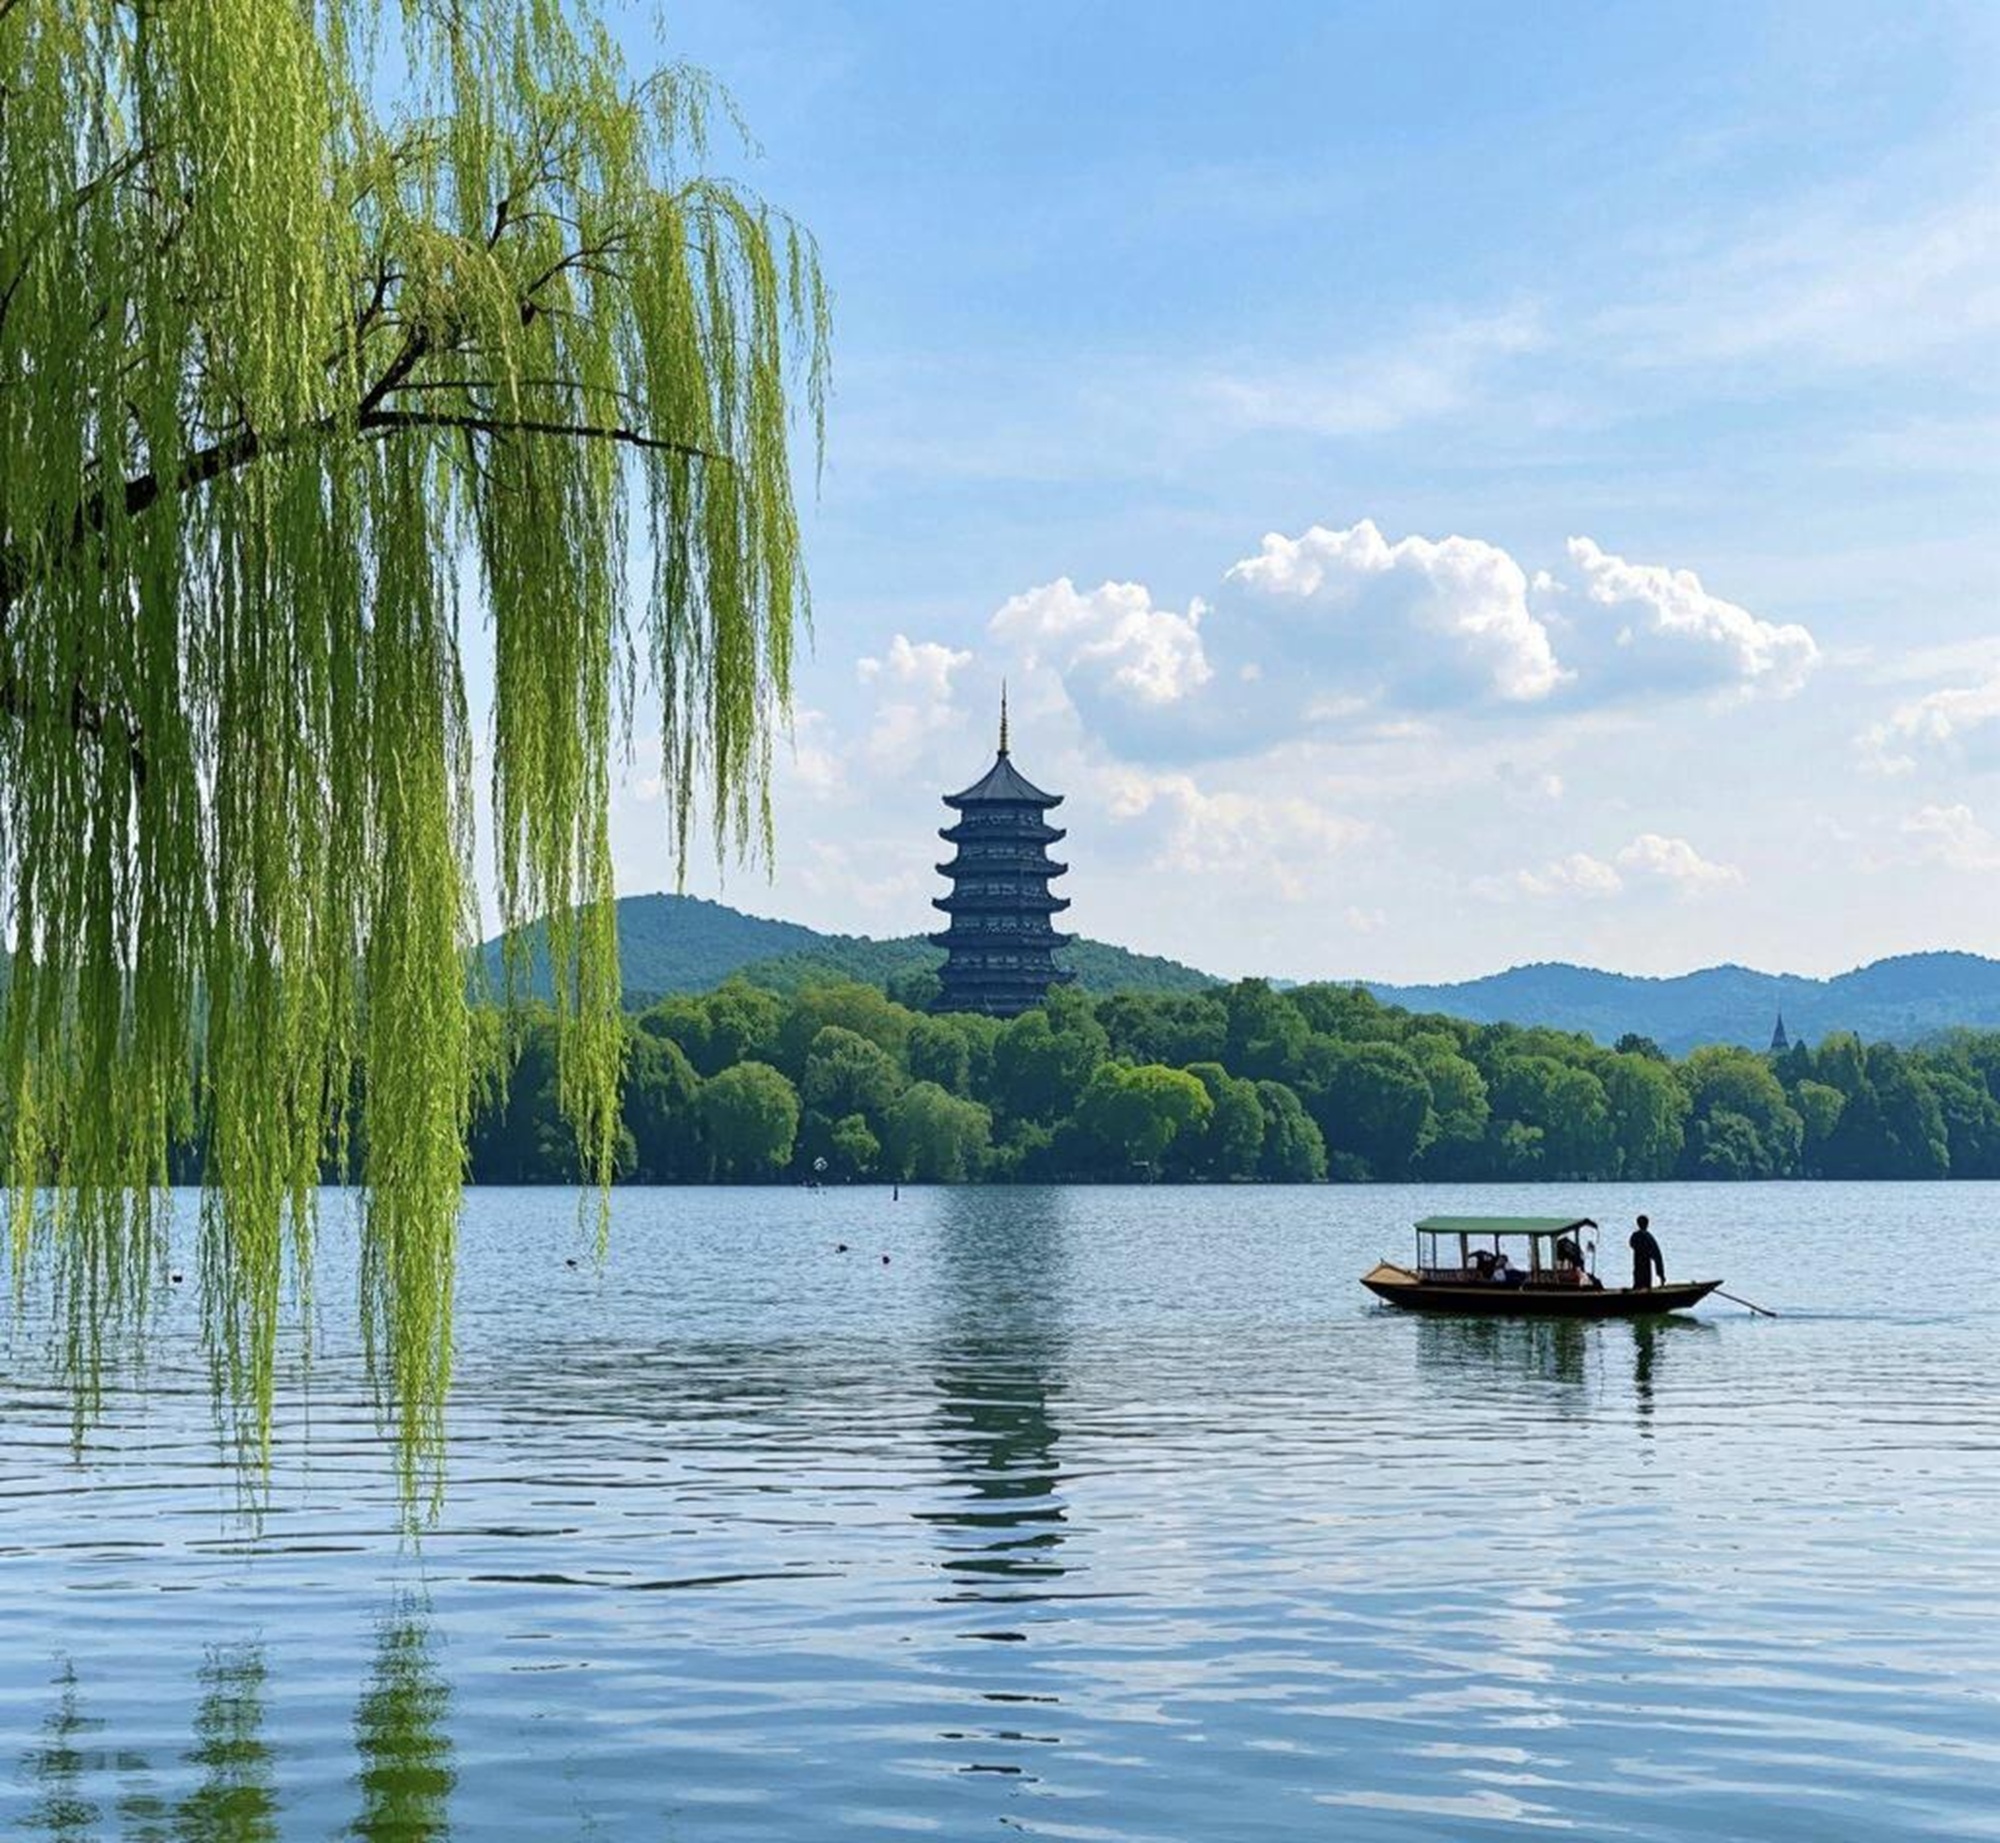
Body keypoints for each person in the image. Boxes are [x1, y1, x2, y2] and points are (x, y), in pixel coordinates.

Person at [1629, 1215, 1665, 1291]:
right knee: (1645, 1281)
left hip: (1638, 1263)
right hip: (1644, 1264)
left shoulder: (1635, 1236)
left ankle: (1637, 1290)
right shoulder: (1648, 1237)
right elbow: (1657, 1257)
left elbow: (1631, 1244)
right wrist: (1661, 1275)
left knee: (1638, 1280)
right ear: (1647, 1224)